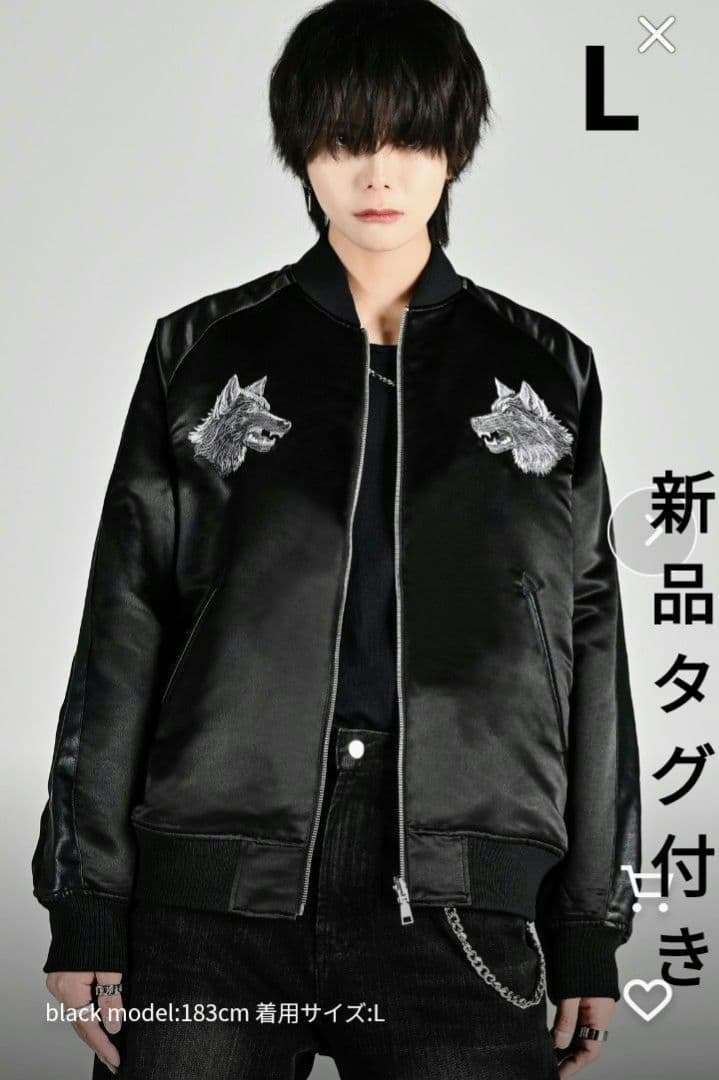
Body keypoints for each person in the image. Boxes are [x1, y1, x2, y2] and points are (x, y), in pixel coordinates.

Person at [32, 1, 641, 1077]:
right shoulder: (202, 353)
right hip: (209, 895)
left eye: (408, 138)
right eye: (344, 139)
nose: (376, 173)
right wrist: (87, 900)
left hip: (459, 895)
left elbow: (589, 644)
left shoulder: (545, 372)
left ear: (453, 147)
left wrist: (587, 921)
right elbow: (125, 623)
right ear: (301, 151)